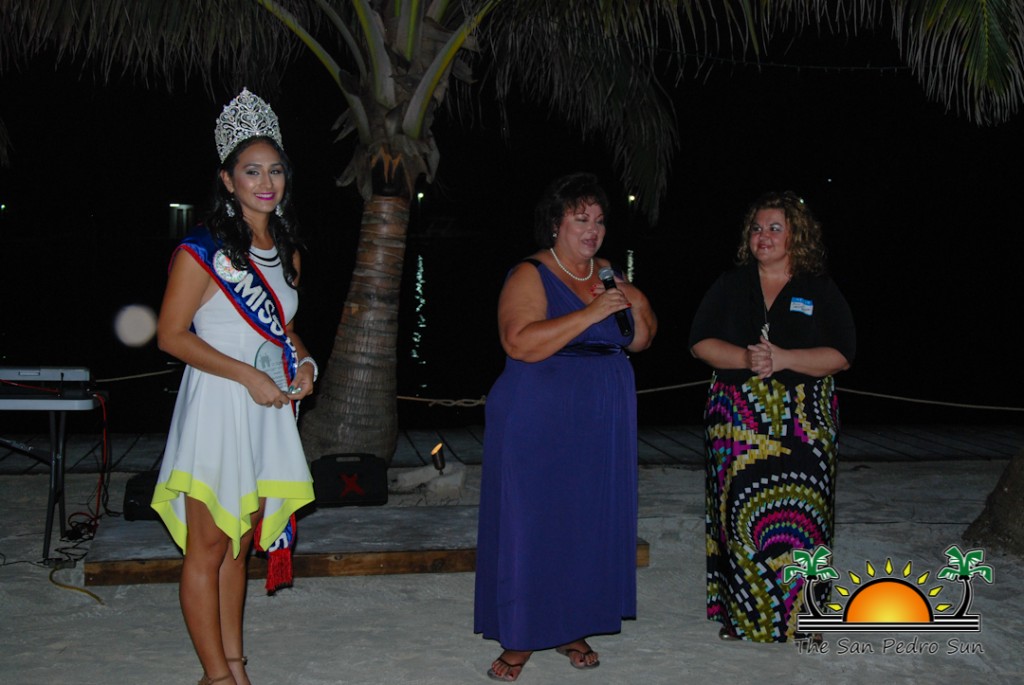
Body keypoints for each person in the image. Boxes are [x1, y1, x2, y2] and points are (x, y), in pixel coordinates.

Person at [150, 88, 316, 685]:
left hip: (266, 409)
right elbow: (171, 336)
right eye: (252, 171)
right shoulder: (203, 251)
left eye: (275, 170)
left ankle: (234, 666)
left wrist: (305, 364)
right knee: (209, 547)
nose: (266, 183)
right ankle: (217, 677)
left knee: (240, 546)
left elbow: (283, 329)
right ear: (227, 179)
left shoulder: (288, 252)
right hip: (220, 404)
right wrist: (248, 376)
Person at [474, 172, 657, 681]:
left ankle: (572, 626)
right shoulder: (530, 273)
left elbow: (641, 339)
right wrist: (593, 311)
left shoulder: (608, 272)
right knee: (532, 523)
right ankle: (520, 635)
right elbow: (519, 343)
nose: (592, 230)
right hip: (537, 414)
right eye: (581, 219)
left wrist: (633, 297)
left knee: (585, 521)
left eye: (599, 220)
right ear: (556, 223)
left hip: (601, 416)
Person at [689, 190, 856, 643]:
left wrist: (783, 358)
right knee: (740, 518)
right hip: (738, 421)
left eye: (775, 228)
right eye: (757, 228)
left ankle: (806, 618)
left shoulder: (818, 287)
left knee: (807, 519)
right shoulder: (731, 284)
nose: (763, 236)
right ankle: (743, 618)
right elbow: (700, 341)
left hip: (805, 422)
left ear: (796, 235)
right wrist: (747, 359)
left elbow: (842, 354)